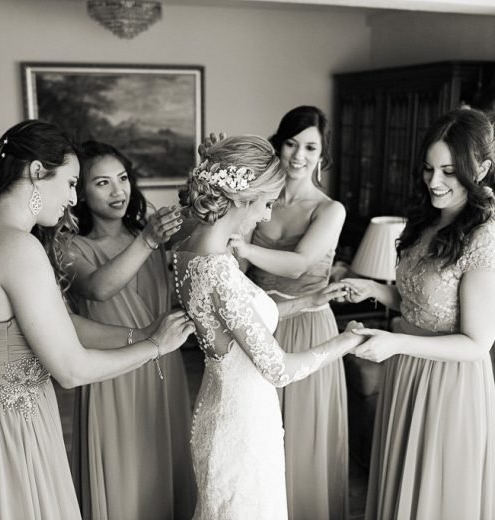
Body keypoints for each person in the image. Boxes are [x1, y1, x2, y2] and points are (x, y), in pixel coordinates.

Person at [0, 120, 194, 520]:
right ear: (37, 172)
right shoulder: (18, 247)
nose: (73, 198)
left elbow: (64, 325)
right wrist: (154, 346)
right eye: (72, 183)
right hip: (14, 428)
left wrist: (141, 333)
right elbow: (72, 370)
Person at [173, 134, 365, 520]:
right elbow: (279, 369)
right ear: (243, 198)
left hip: (221, 405)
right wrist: (347, 341)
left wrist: (309, 300)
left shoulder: (190, 250)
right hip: (243, 425)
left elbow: (238, 319)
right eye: (266, 202)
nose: (265, 215)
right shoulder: (218, 269)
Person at [336, 107, 495, 519]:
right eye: (428, 168)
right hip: (406, 369)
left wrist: (395, 343)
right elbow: (422, 303)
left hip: (449, 382)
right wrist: (373, 289)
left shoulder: (483, 239)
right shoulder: (427, 220)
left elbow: (478, 342)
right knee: (399, 479)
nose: (434, 181)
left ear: (481, 170)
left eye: (449, 171)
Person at [226, 106, 349, 519]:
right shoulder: (261, 200)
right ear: (279, 145)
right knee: (257, 431)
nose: (299, 156)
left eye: (310, 147)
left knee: (302, 432)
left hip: (308, 324)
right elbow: (237, 270)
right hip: (259, 324)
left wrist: (242, 245)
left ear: (322, 154)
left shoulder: (329, 210)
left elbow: (298, 264)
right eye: (292, 144)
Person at [69, 140, 196, 520]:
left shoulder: (149, 234)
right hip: (113, 372)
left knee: (165, 463)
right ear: (79, 192)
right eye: (102, 182)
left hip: (165, 365)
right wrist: (148, 240)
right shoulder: (71, 246)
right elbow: (98, 288)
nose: (118, 190)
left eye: (122, 178)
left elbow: (206, 235)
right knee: (125, 474)